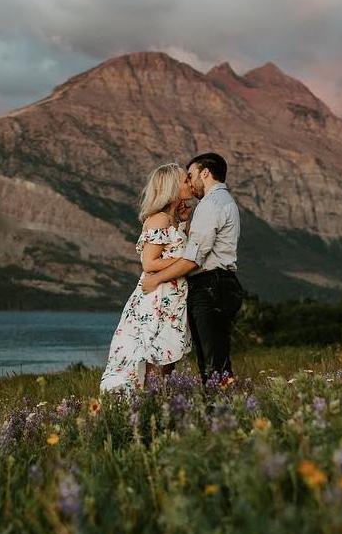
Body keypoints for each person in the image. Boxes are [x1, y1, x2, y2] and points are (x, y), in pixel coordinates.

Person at [142, 152, 243, 383]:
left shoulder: (210, 204)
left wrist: (156, 279)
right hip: (219, 284)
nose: (188, 182)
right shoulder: (223, 202)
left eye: (190, 175)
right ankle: (222, 411)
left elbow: (193, 259)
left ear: (205, 173)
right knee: (215, 359)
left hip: (211, 286)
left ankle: (219, 414)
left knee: (212, 363)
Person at [99, 163, 194, 393]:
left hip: (174, 299)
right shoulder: (158, 219)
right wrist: (188, 259)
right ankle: (147, 408)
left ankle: (162, 406)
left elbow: (177, 250)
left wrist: (185, 223)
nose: (189, 183)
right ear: (171, 187)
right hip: (157, 300)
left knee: (168, 357)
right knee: (154, 356)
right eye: (184, 180)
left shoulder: (173, 220)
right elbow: (149, 263)